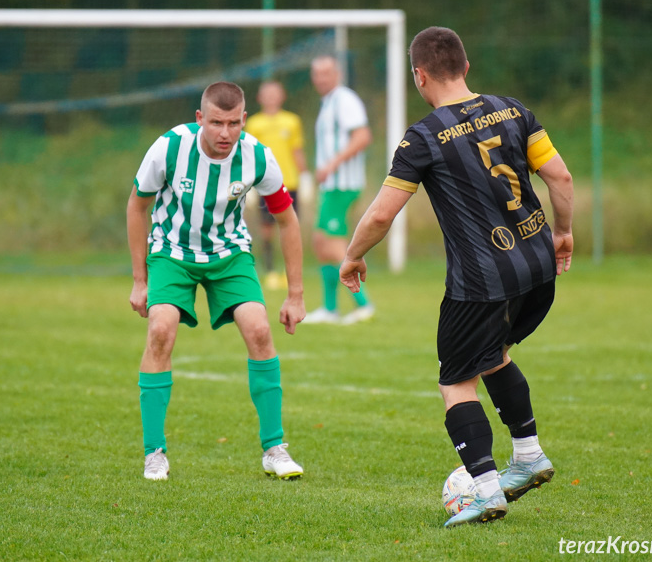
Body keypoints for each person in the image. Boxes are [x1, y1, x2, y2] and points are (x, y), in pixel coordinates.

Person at [340, 27, 574, 527]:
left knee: (456, 380)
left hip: (481, 281)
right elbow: (561, 178)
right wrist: (564, 233)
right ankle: (529, 455)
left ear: (419, 76)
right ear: (466, 67)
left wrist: (352, 255)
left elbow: (381, 216)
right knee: (494, 356)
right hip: (536, 267)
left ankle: (485, 491)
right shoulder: (514, 111)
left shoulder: (421, 138)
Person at [127, 81, 306, 481]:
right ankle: (154, 453)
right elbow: (137, 207)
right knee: (161, 330)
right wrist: (140, 280)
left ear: (244, 119)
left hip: (229, 254)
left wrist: (295, 294)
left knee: (260, 331)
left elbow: (287, 219)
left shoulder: (257, 156)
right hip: (172, 252)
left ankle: (275, 449)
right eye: (215, 123)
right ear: (199, 119)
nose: (225, 133)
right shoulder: (169, 148)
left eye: (232, 123)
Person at [302, 55, 375, 326]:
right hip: (332, 186)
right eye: (316, 74)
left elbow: (362, 136)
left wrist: (332, 164)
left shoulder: (345, 100)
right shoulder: (328, 103)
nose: (321, 78)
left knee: (331, 243)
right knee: (321, 242)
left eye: (326, 73)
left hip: (343, 184)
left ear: (337, 74)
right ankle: (330, 309)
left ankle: (364, 304)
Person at [244, 81, 309, 291]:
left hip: (289, 182)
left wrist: (305, 176)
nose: (271, 98)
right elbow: (250, 155)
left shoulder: (292, 121)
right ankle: (270, 270)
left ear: (282, 96)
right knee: (266, 229)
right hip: (264, 184)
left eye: (275, 94)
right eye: (267, 94)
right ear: (259, 98)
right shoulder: (254, 123)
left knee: (290, 227)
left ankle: (287, 272)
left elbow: (296, 150)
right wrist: (249, 185)